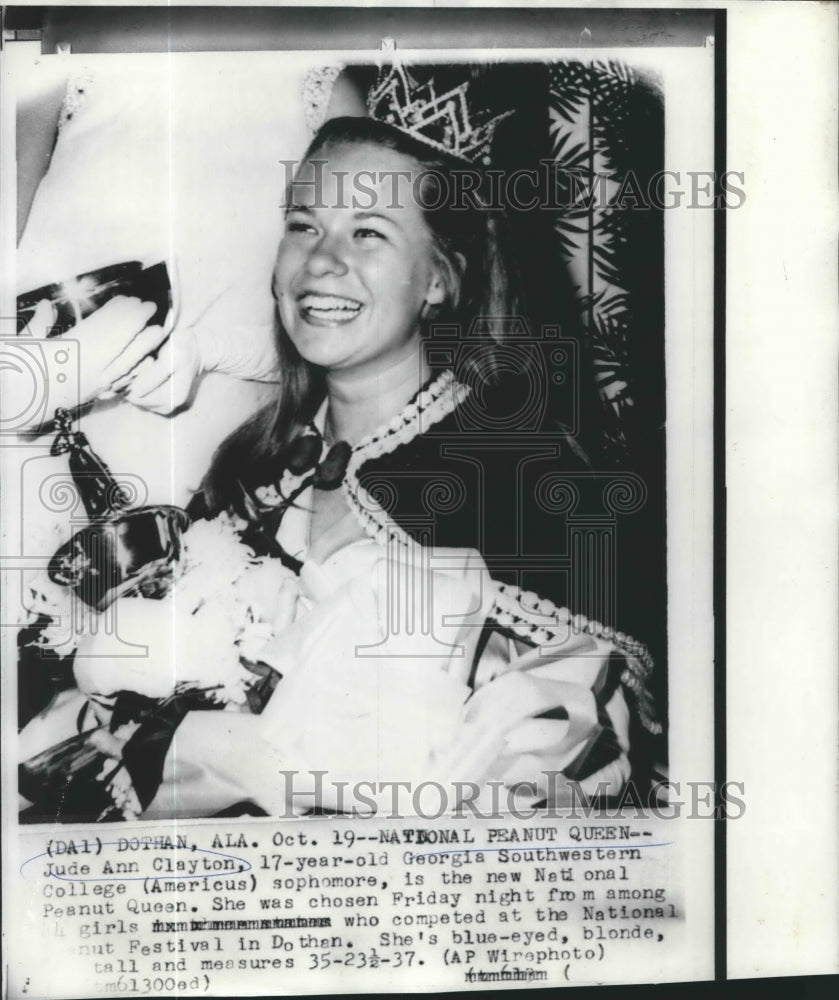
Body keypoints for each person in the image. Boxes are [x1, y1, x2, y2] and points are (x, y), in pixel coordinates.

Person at [145, 106, 661, 819]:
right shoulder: (249, 467)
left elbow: (585, 761)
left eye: (368, 234)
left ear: (439, 281)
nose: (321, 262)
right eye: (302, 226)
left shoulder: (529, 479)